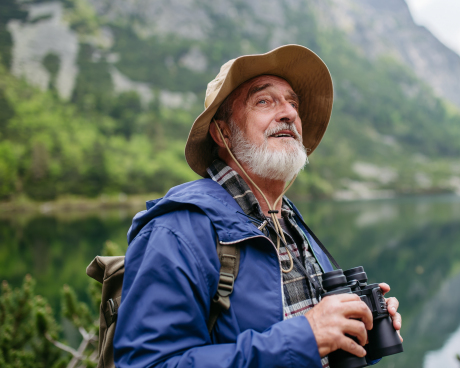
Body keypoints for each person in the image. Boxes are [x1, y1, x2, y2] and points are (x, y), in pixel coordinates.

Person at [113, 44, 402, 367]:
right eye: (264, 101)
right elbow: (148, 363)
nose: (289, 113)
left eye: (293, 103)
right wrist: (306, 336)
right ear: (222, 133)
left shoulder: (289, 221)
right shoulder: (177, 229)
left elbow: (312, 348)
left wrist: (359, 333)